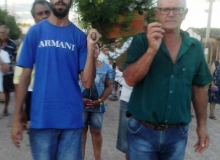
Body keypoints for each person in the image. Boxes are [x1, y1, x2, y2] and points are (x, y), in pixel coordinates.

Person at [11, 0, 101, 160]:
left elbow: (87, 82)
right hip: (42, 119)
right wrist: (17, 117)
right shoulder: (35, 32)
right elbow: (24, 77)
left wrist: (91, 46)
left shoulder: (79, 36)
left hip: (71, 122)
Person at [123, 0, 212, 159]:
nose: (171, 14)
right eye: (165, 9)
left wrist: (202, 125)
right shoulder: (141, 41)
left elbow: (199, 88)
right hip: (142, 130)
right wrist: (151, 50)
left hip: (177, 134)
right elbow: (130, 79)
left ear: (185, 13)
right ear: (157, 13)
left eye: (177, 9)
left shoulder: (195, 47)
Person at [13, 0, 51, 124]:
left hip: (59, 96)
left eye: (47, 12)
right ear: (34, 17)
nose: (44, 16)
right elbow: (19, 79)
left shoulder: (63, 39)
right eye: (39, 14)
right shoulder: (28, 42)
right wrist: (20, 110)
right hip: (35, 95)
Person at [80, 43, 113, 160]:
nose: (94, 49)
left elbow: (109, 87)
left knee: (96, 132)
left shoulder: (106, 67)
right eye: (91, 47)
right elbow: (72, 83)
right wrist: (80, 99)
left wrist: (100, 101)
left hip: (97, 107)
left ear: (100, 50)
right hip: (81, 106)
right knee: (81, 132)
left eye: (96, 47)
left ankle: (97, 158)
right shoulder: (80, 66)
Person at [0, 25, 17, 116]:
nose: (2, 35)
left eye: (4, 33)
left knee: (7, 92)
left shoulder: (12, 44)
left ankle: (5, 109)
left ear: (8, 34)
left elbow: (15, 58)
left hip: (8, 73)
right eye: (1, 33)